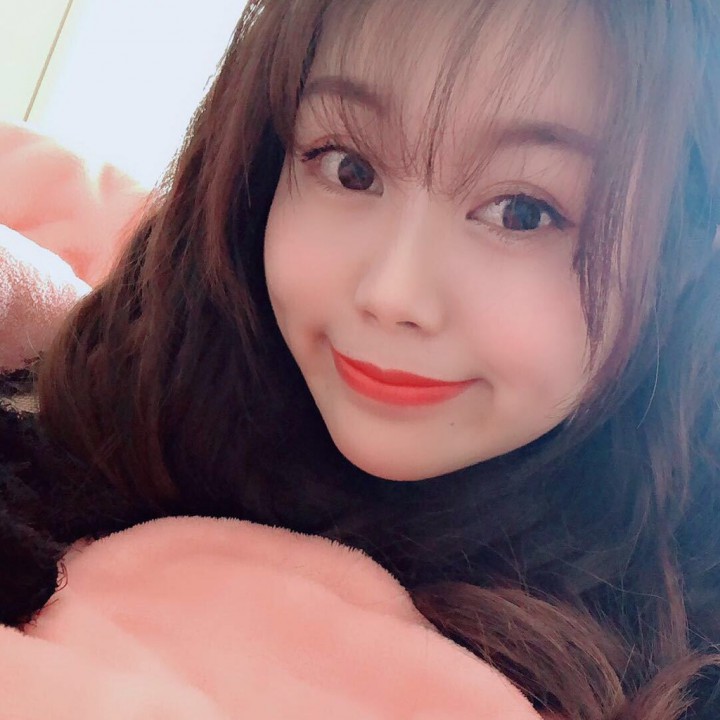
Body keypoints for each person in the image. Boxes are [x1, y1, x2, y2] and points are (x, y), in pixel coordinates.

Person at [2, 0, 720, 717]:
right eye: (350, 169)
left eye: (523, 212)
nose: (391, 293)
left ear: (685, 257)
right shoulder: (149, 379)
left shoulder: (684, 628)